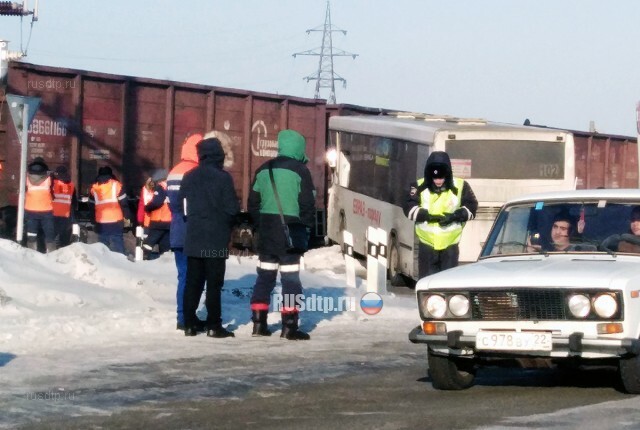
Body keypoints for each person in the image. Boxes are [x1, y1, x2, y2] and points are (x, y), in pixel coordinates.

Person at [248, 129, 316, 341]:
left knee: (264, 278)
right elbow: (307, 204)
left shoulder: (263, 169)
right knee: (290, 279)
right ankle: (289, 327)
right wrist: (304, 229)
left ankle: (259, 325)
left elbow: (253, 204)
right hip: (290, 231)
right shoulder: (301, 171)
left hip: (267, 232)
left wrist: (261, 225)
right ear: (298, 148)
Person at [179, 137, 240, 338]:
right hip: (215, 240)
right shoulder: (223, 178)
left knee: (193, 282)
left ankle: (189, 324)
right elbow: (232, 209)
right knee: (214, 284)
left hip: (194, 238)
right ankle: (214, 325)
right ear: (218, 155)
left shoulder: (188, 177)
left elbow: (181, 207)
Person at [403, 151, 478, 278]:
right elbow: (408, 208)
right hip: (427, 245)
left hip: (450, 247)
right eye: (435, 177)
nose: (438, 181)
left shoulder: (461, 186)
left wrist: (455, 216)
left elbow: (472, 207)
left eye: (441, 177)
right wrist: (427, 216)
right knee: (427, 285)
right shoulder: (418, 186)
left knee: (447, 284)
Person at [167, 133, 203, 331]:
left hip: (177, 230)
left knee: (183, 275)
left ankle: (182, 316)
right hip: (193, 232)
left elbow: (171, 204)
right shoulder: (195, 171)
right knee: (194, 276)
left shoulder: (174, 171)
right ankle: (189, 316)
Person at [89, 166, 131, 254]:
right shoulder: (117, 185)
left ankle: (105, 264)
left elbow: (91, 207)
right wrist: (127, 217)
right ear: (111, 175)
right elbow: (124, 204)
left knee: (102, 246)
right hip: (116, 220)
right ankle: (120, 263)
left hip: (101, 221)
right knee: (118, 244)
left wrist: (93, 220)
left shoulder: (94, 189)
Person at [24, 157, 56, 252]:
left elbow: (24, 190)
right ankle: (51, 253)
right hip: (46, 209)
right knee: (49, 233)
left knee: (31, 233)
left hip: (30, 209)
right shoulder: (49, 178)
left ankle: (31, 252)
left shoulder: (26, 178)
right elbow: (53, 193)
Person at [141, 168, 171, 259]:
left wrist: (148, 208)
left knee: (148, 243)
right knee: (165, 243)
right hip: (169, 221)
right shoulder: (170, 187)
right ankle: (164, 261)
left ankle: (146, 258)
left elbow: (157, 202)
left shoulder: (161, 187)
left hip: (158, 220)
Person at [52, 165, 77, 248]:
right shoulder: (71, 185)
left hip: (53, 212)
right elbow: (74, 202)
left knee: (52, 234)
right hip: (66, 214)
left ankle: (50, 250)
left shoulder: (53, 183)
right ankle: (63, 248)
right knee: (64, 234)